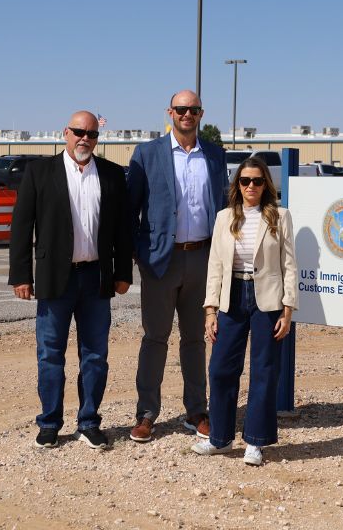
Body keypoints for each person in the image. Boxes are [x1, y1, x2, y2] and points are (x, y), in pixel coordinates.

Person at [8, 110, 132, 450]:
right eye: (79, 131)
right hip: (54, 279)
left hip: (96, 278)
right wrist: (21, 276)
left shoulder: (111, 174)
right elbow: (21, 227)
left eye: (91, 134)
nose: (85, 139)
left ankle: (89, 422)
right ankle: (49, 423)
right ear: (66, 132)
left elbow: (123, 229)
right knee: (50, 354)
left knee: (95, 355)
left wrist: (123, 273)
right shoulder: (40, 172)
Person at [126, 89, 228, 442]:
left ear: (201, 114)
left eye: (193, 109)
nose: (187, 114)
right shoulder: (147, 153)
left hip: (202, 257)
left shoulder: (214, 155)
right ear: (170, 112)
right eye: (181, 109)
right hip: (160, 261)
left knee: (195, 338)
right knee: (155, 337)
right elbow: (130, 209)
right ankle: (146, 413)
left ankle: (196, 411)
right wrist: (139, 253)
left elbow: (222, 207)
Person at [191, 156, 297, 466]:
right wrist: (210, 310)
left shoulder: (280, 216)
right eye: (245, 180)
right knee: (221, 368)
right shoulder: (224, 218)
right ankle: (220, 439)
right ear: (237, 184)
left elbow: (289, 265)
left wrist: (288, 309)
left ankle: (255, 442)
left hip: (268, 300)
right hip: (232, 297)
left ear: (266, 184)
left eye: (257, 181)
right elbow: (215, 265)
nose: (251, 186)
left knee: (264, 370)